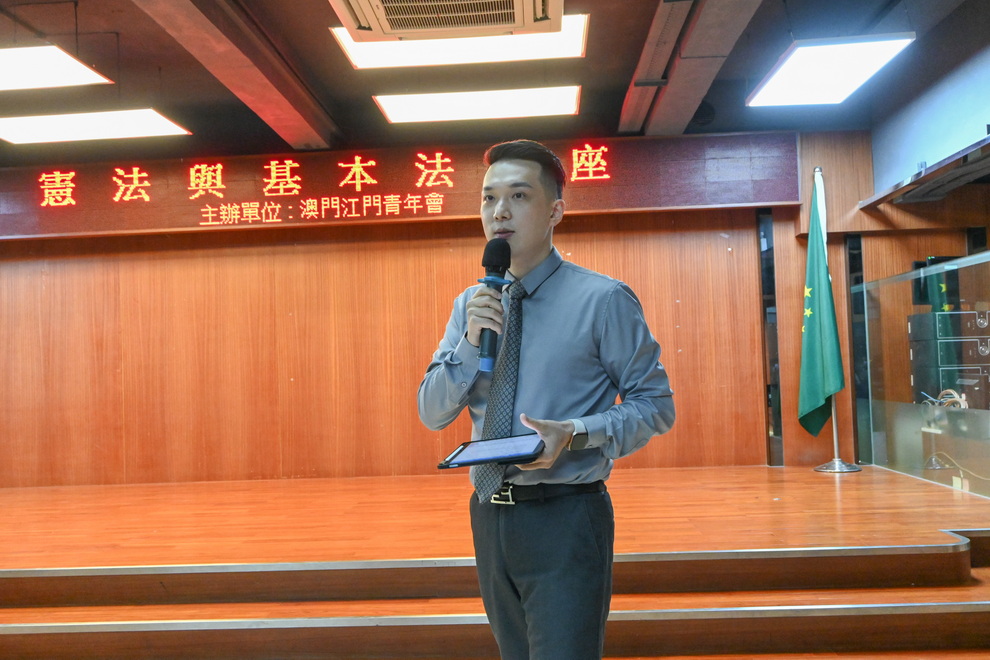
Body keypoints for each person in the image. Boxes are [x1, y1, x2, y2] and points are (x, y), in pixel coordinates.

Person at [418, 139, 674, 660]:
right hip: (489, 515)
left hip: (566, 516)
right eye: (489, 198)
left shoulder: (603, 300)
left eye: (518, 196)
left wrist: (575, 433)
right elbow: (432, 411)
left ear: (555, 211)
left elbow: (655, 405)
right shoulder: (471, 304)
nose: (499, 212)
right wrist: (468, 343)